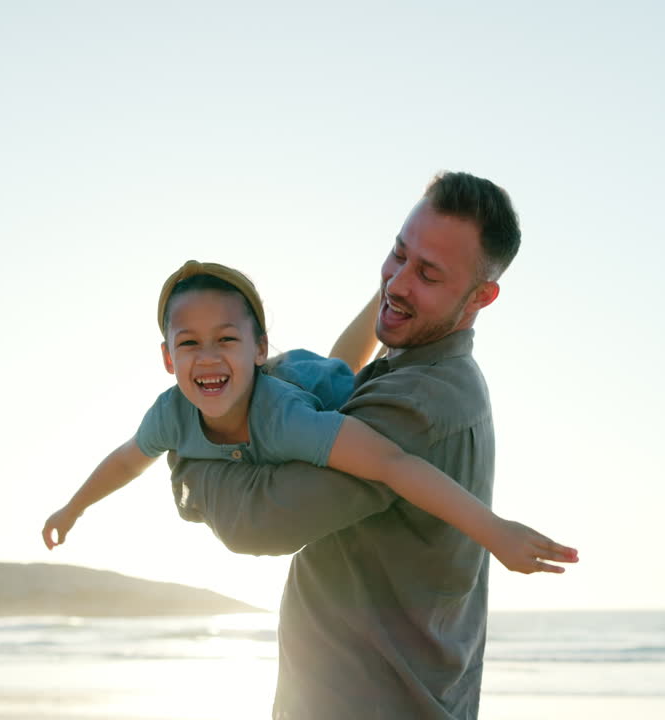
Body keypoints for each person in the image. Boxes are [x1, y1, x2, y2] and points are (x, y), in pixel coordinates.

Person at [170, 171, 559, 719]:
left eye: (427, 273)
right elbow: (338, 376)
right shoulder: (412, 362)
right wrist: (397, 291)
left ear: (480, 297)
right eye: (398, 253)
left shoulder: (418, 401)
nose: (398, 282)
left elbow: (257, 521)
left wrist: (190, 439)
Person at [41, 259, 576, 577]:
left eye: (226, 339)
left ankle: (387, 290)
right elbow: (126, 460)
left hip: (311, 387)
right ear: (167, 359)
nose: (207, 358)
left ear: (257, 347)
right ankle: (382, 287)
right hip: (286, 383)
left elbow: (391, 462)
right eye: (189, 344)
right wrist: (73, 508)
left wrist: (494, 532)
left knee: (345, 374)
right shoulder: (171, 415)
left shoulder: (285, 420)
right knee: (338, 362)